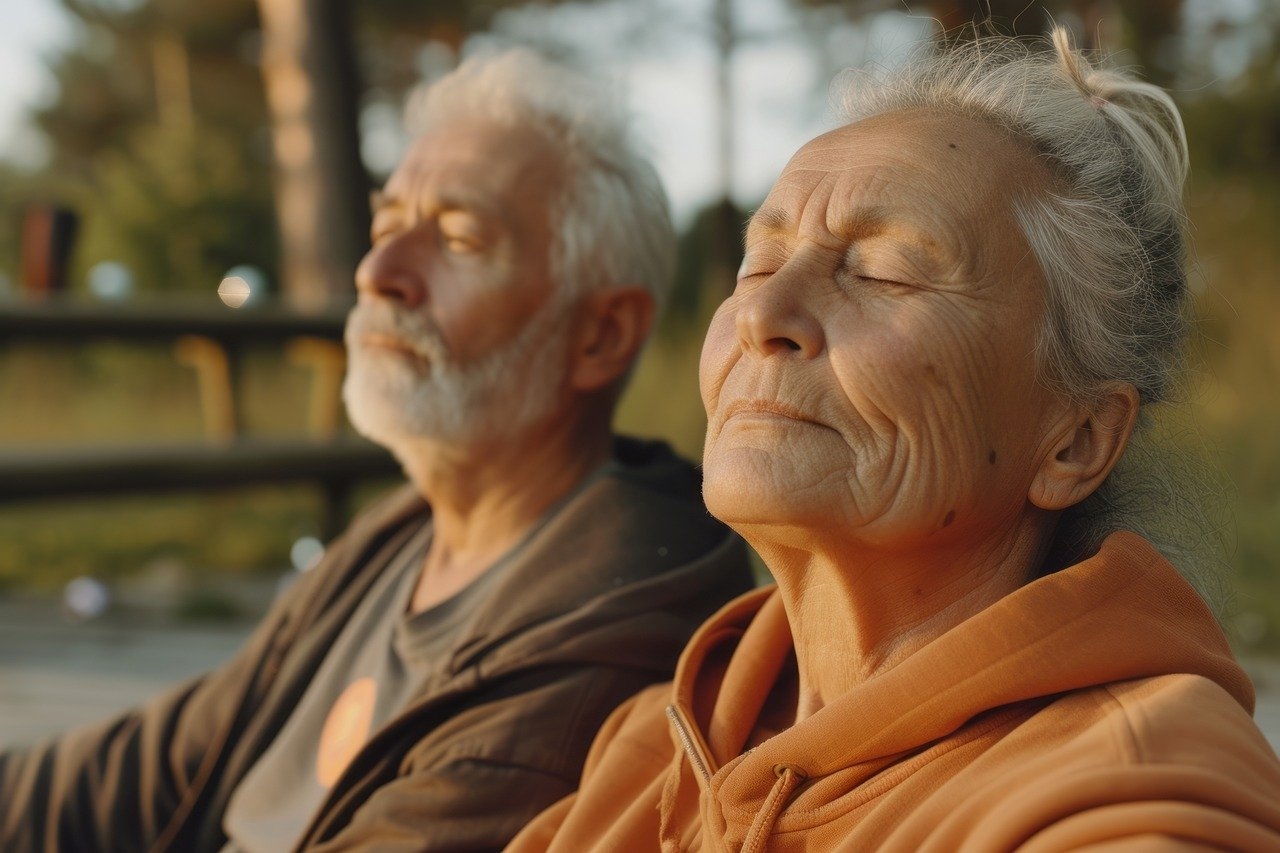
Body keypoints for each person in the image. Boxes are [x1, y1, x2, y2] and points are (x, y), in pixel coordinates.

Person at [510, 28, 1280, 852]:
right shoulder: (658, 744)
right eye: (759, 266)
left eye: (882, 273)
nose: (765, 318)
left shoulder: (1129, 788)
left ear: (1076, 440)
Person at [0, 50, 753, 852]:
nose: (378, 271)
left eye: (458, 239)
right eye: (387, 225)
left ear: (601, 334)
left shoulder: (612, 620)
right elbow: (155, 765)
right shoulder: (407, 535)